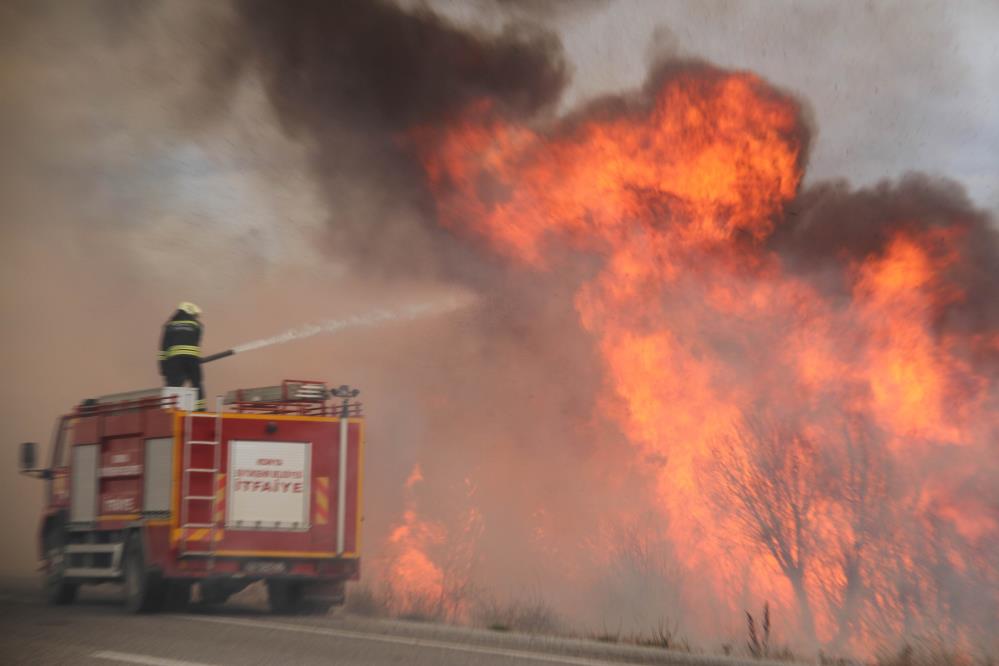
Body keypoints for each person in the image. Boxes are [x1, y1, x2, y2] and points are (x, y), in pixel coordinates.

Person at [159, 302, 205, 411]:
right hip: (192, 360)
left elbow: (163, 348)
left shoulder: (169, 326)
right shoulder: (197, 326)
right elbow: (196, 342)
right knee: (197, 384)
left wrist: (163, 367)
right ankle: (200, 409)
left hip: (175, 361)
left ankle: (169, 410)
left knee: (173, 386)